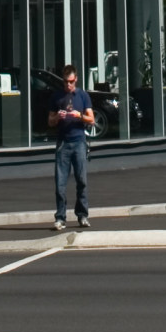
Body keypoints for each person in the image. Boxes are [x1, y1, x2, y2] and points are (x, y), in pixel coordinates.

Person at [48, 65, 95, 229]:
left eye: (71, 82)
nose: (68, 85)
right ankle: (60, 217)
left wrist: (79, 115)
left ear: (76, 80)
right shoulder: (57, 96)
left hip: (79, 141)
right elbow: (50, 120)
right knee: (60, 182)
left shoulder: (82, 95)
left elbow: (92, 119)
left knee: (82, 180)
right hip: (63, 143)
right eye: (66, 82)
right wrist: (57, 118)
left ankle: (82, 215)